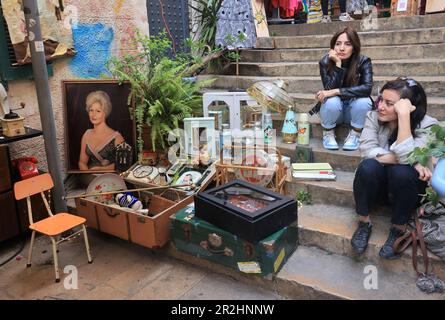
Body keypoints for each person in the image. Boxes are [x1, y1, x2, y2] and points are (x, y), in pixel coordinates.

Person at [351, 78, 439, 259]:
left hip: (408, 192)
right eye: (380, 100)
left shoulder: (429, 125)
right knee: (367, 167)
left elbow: (404, 158)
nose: (381, 107)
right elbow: (367, 151)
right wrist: (413, 161)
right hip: (381, 189)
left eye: (389, 103)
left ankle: (398, 228)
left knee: (402, 172)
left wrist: (404, 118)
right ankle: (364, 223)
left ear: (407, 107)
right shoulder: (373, 117)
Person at [316, 27, 373, 151]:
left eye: (347, 44)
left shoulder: (363, 61)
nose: (342, 48)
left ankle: (356, 134)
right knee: (331, 101)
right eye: (338, 44)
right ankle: (328, 133)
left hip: (353, 112)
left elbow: (367, 88)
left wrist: (338, 91)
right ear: (333, 46)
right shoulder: (325, 62)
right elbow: (328, 89)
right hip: (334, 111)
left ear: (354, 47)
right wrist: (338, 65)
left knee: (364, 101)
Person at [78, 91, 125, 171]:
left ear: (105, 112)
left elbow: (123, 163)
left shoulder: (117, 137)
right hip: (89, 178)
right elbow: (82, 163)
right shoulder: (87, 134)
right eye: (91, 110)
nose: (93, 115)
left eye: (98, 111)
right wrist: (88, 174)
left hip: (111, 179)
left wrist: (100, 169)